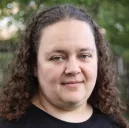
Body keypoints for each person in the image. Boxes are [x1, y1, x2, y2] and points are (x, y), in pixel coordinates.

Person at [0, 4, 128, 128]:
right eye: (57, 58)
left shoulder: (114, 124)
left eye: (84, 55)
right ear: (34, 66)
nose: (73, 69)